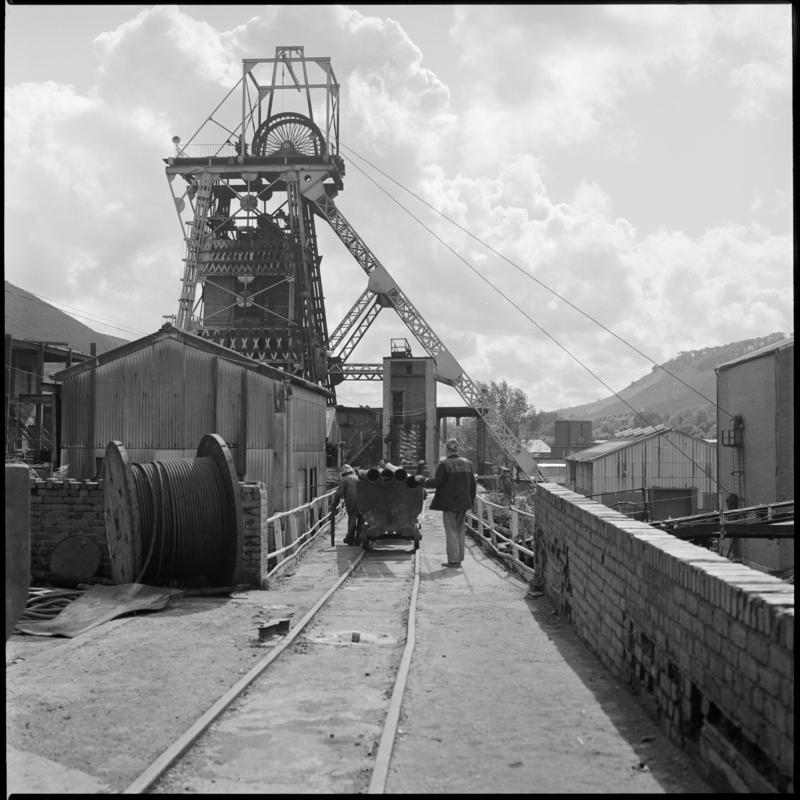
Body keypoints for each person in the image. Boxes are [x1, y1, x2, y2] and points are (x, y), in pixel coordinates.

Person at [426, 438, 476, 568]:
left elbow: (436, 483)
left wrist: (422, 480)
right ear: (457, 449)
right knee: (460, 530)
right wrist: (471, 501)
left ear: (447, 449)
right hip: (464, 503)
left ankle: (454, 560)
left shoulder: (445, 464)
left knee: (451, 531)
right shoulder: (468, 463)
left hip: (449, 504)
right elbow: (473, 485)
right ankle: (459, 558)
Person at [333, 465, 363, 545]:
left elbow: (339, 493)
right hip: (363, 502)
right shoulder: (357, 477)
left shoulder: (345, 479)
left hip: (352, 502)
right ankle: (359, 539)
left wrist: (334, 504)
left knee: (352, 519)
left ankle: (350, 538)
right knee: (361, 520)